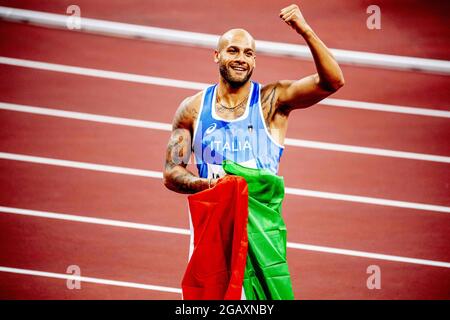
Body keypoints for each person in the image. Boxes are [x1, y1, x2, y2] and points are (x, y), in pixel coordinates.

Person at [163, 3, 344, 193]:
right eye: (233, 51)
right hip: (210, 221)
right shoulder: (193, 109)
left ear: (254, 61)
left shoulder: (272, 101)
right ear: (217, 55)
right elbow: (171, 171)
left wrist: (305, 30)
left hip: (260, 222)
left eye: (248, 53)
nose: (241, 58)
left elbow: (333, 81)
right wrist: (211, 186)